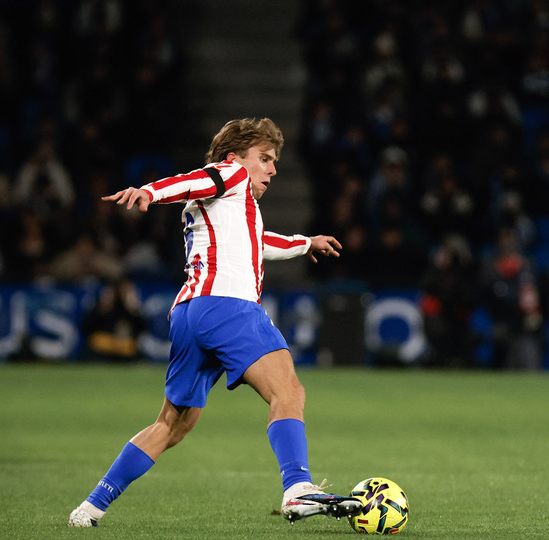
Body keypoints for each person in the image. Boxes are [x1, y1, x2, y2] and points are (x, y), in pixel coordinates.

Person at [67, 117, 358, 527]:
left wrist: (305, 243)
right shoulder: (230, 174)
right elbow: (193, 180)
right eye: (265, 159)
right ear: (235, 157)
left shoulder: (237, 208)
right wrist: (150, 191)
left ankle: (90, 507)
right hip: (228, 307)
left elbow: (260, 242)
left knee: (172, 425)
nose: (272, 169)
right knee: (288, 391)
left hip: (189, 312)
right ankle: (297, 488)